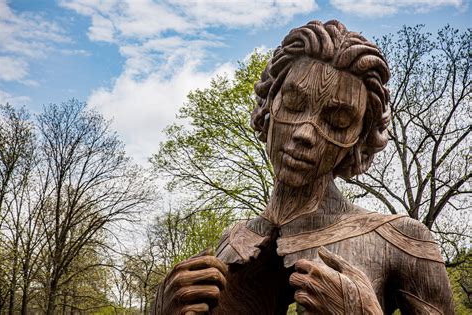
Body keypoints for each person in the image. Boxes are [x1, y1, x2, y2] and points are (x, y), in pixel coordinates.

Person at [152, 20, 454, 315]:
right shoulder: (231, 242)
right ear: (269, 104)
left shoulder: (403, 240)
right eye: (295, 105)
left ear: (359, 140)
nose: (305, 133)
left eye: (337, 122)